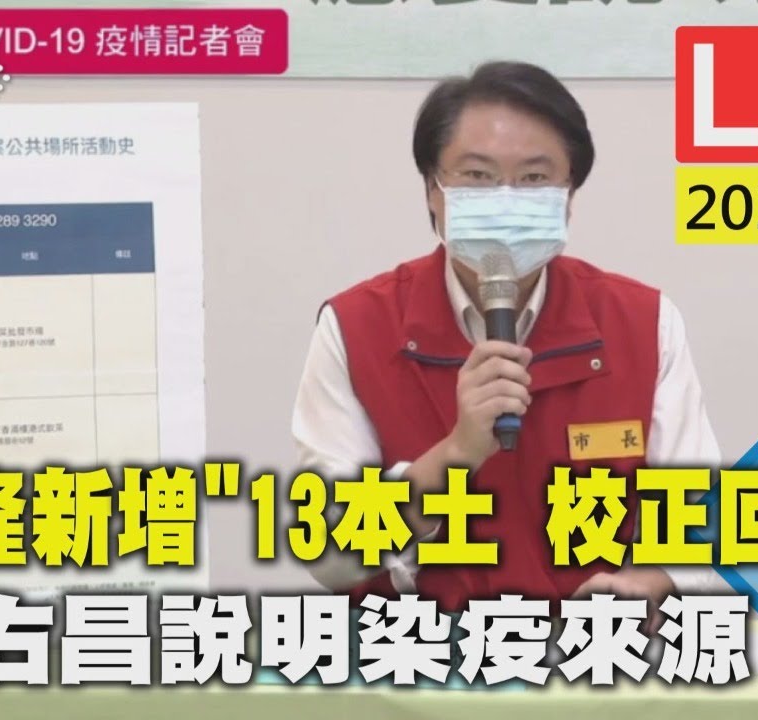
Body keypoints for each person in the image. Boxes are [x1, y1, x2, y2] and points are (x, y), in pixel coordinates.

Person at [292, 61, 723, 619]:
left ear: (569, 196)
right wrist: (455, 453)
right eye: (477, 176)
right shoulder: (357, 327)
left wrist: (652, 579)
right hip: (418, 655)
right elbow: (328, 555)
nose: (506, 199)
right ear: (432, 190)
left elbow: (702, 519)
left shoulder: (643, 323)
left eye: (535, 179)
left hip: (590, 652)